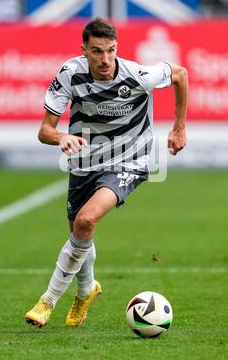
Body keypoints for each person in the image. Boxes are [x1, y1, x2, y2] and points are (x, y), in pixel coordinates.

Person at [25, 17, 188, 329]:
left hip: (130, 160)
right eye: (97, 51)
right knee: (79, 231)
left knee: (87, 220)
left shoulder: (137, 75)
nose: (105, 59)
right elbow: (45, 131)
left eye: (111, 51)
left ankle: (48, 300)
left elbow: (180, 74)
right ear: (84, 50)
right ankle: (86, 291)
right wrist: (63, 138)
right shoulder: (70, 73)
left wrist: (178, 127)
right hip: (85, 162)